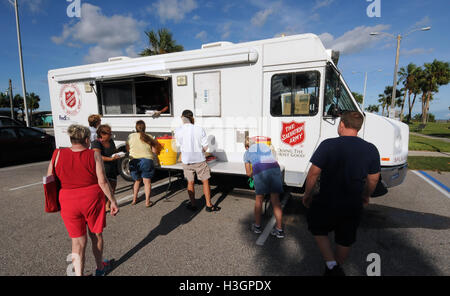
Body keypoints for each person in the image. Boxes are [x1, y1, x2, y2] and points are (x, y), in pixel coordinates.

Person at [302, 111, 380, 276]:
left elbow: (313, 173)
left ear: (342, 125)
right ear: (359, 127)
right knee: (345, 238)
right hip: (352, 203)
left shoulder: (328, 144)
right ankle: (335, 267)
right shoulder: (371, 149)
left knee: (317, 227)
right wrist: (366, 195)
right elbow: (373, 180)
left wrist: (307, 194)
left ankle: (331, 265)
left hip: (327, 200)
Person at [47, 124, 119, 276]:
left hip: (68, 200)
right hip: (92, 200)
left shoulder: (57, 154)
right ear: (86, 140)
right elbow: (103, 181)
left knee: (77, 241)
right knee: (96, 235)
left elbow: (49, 179)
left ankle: (78, 274)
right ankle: (100, 268)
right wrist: (112, 201)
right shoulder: (93, 154)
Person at [175, 110, 220, 212]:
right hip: (199, 159)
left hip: (186, 160)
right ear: (192, 117)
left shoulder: (178, 130)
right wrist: (201, 151)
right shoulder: (199, 129)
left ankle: (193, 204)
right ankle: (209, 205)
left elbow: (179, 146)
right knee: (205, 181)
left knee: (190, 182)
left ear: (182, 118)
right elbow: (205, 147)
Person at [244, 137, 284, 238]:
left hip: (261, 172)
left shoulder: (247, 153)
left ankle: (257, 227)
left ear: (246, 146)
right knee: (275, 201)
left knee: (259, 200)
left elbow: (248, 173)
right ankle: (279, 230)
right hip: (275, 169)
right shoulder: (264, 146)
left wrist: (253, 173)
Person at [126, 120, 161, 207]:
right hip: (146, 161)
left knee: (137, 181)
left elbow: (128, 149)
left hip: (134, 161)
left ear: (136, 127)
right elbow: (155, 151)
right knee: (147, 183)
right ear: (145, 127)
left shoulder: (130, 136)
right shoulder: (149, 137)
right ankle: (147, 202)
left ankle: (134, 200)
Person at [91, 124, 120, 212]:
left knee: (113, 186)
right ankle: (103, 206)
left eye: (111, 133)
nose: (111, 135)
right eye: (109, 133)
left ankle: (108, 204)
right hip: (102, 168)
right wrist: (110, 159)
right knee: (103, 188)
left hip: (112, 167)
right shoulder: (96, 143)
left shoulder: (110, 141)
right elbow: (98, 156)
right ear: (102, 134)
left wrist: (117, 154)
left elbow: (114, 150)